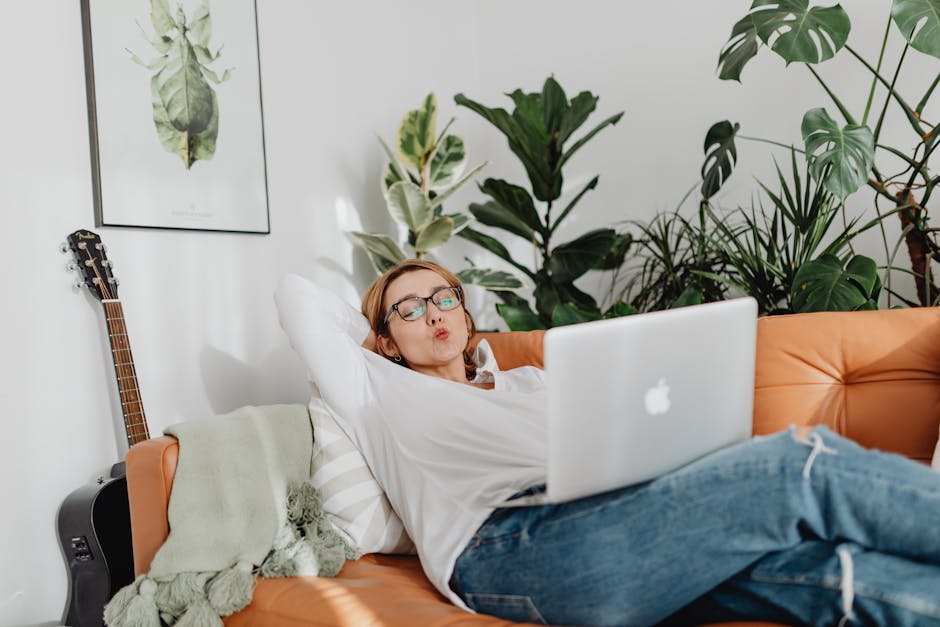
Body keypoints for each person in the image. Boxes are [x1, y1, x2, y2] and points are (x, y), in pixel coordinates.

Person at [276, 259, 940, 627]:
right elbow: (296, 294)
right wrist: (373, 341)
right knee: (795, 467)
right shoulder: (377, 392)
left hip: (613, 522)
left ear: (465, 307)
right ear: (385, 339)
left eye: (443, 297)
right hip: (508, 551)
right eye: (410, 308)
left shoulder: (530, 382)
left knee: (825, 574)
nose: (433, 313)